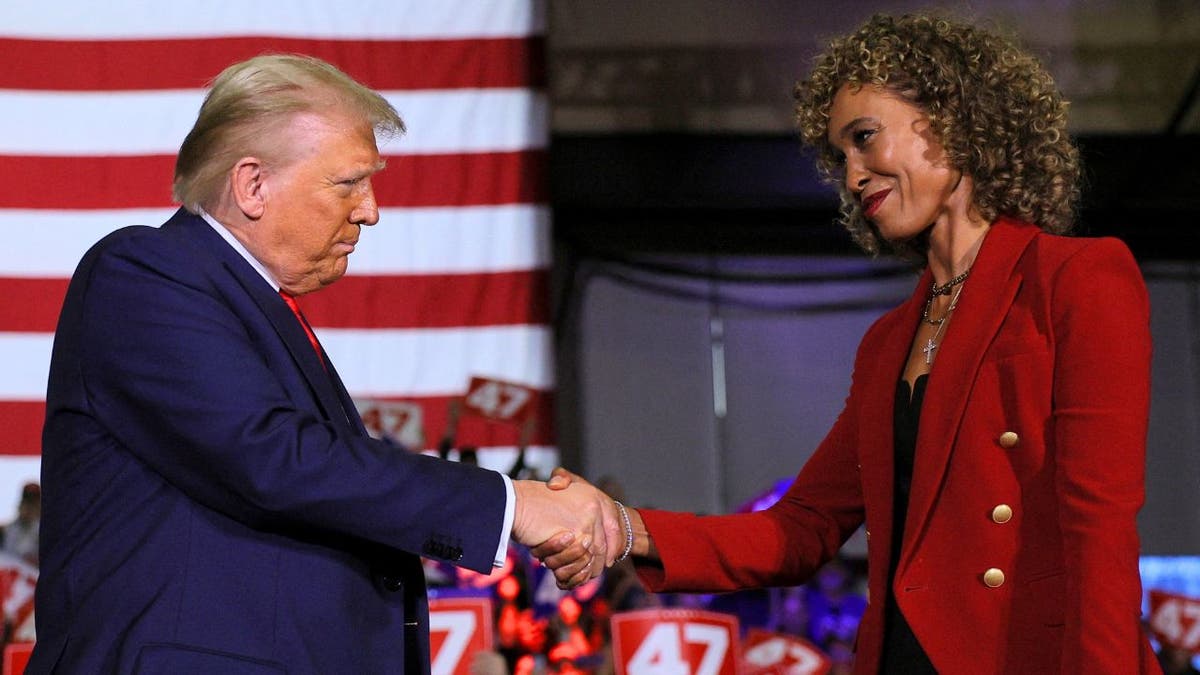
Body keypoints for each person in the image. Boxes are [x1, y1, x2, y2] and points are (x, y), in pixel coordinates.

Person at [537, 13, 1160, 674]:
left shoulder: (1077, 278)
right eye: (840, 157)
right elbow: (798, 528)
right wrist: (622, 524)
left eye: (865, 139)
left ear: (952, 118)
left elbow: (1100, 532)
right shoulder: (888, 341)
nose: (853, 174)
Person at [33, 54, 620, 674]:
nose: (370, 210)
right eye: (348, 183)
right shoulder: (145, 273)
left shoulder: (257, 306)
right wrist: (511, 506)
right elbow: (274, 457)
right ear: (253, 185)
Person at [0, 483, 40, 566]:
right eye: (27, 503)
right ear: (20, 505)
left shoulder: (47, 535)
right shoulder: (4, 531)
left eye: (33, 505)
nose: (29, 509)